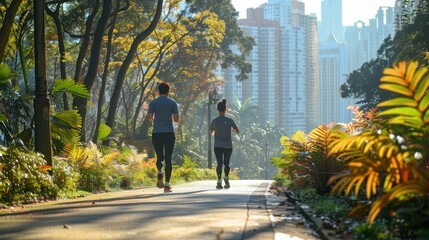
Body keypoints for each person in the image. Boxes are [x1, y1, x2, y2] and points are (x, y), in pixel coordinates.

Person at [147, 82, 179, 193]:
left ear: (159, 91)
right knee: (168, 159)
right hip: (169, 134)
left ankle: (160, 170)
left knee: (159, 156)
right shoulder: (172, 103)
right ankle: (167, 185)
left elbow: (150, 117)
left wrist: (156, 117)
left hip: (157, 134)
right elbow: (176, 119)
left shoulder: (153, 103)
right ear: (168, 91)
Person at [210, 99, 239, 189]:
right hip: (228, 145)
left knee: (219, 163)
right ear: (225, 109)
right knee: (226, 163)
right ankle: (226, 177)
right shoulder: (230, 120)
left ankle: (219, 180)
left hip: (217, 145)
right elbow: (237, 131)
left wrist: (217, 131)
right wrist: (230, 130)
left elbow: (211, 132)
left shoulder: (215, 121)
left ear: (217, 109)